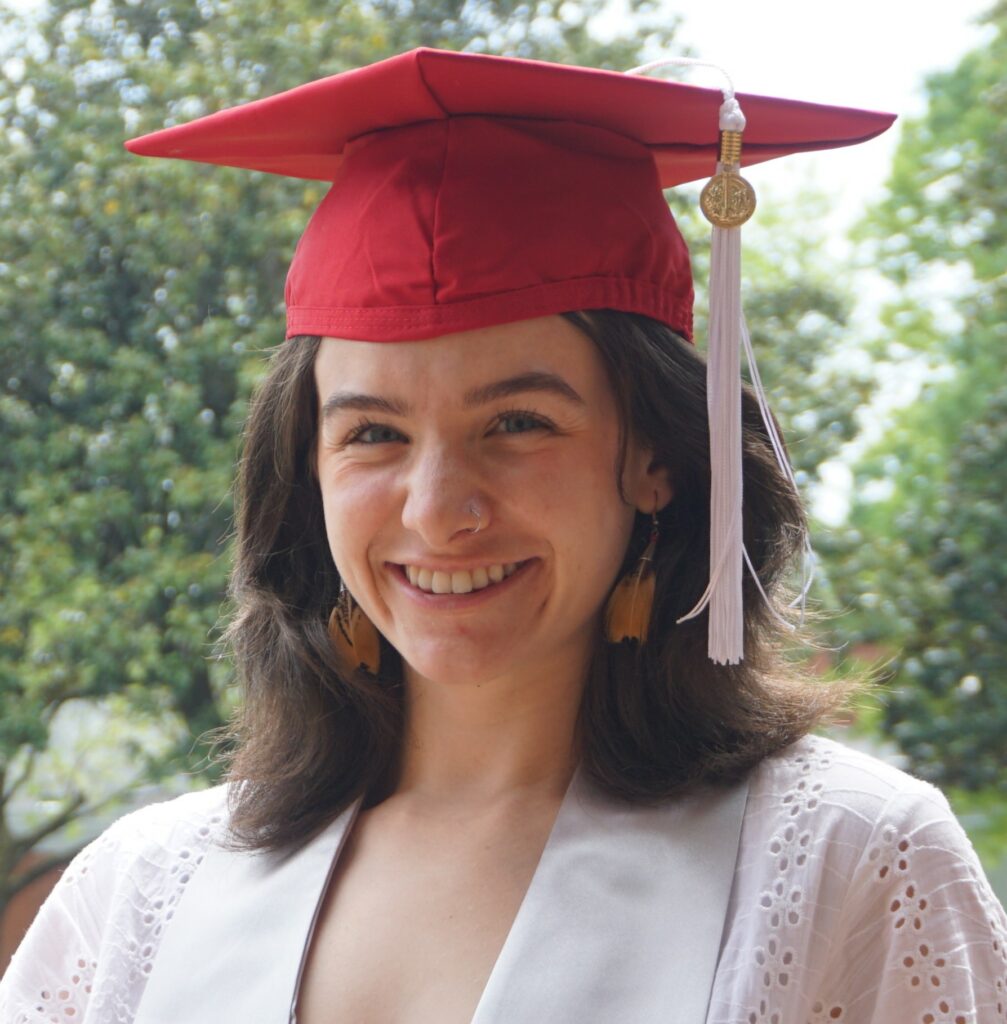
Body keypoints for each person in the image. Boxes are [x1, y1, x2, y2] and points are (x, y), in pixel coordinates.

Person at [2, 47, 1005, 1024]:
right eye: (372, 434)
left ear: (655, 453)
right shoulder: (145, 889)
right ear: (306, 470)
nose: (437, 509)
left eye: (517, 423)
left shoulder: (844, 859)